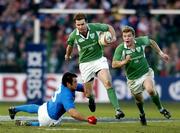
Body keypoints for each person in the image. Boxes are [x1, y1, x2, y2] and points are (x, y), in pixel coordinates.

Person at [65, 13, 125, 119]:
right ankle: (91, 99)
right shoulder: (73, 35)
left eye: (82, 24)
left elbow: (109, 27)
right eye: (78, 25)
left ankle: (117, 110)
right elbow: (69, 46)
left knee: (108, 83)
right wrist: (67, 55)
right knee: (88, 94)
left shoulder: (94, 27)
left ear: (86, 22)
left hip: (98, 60)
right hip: (85, 64)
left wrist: (114, 36)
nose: (80, 27)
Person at [112, 25, 171, 125]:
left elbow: (151, 42)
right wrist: (124, 62)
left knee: (150, 89)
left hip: (145, 73)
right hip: (132, 79)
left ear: (133, 36)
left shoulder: (140, 42)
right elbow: (114, 64)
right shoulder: (120, 48)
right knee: (139, 100)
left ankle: (161, 109)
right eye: (125, 36)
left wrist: (161, 54)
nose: (127, 38)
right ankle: (142, 114)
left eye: (129, 36)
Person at [8, 72, 97, 126]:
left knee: (37, 108)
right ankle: (30, 124)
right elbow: (73, 113)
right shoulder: (66, 95)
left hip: (46, 108)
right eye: (75, 82)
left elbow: (85, 88)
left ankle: (15, 109)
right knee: (48, 123)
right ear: (68, 84)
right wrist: (87, 119)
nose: (77, 83)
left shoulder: (65, 86)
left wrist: (90, 97)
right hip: (49, 118)